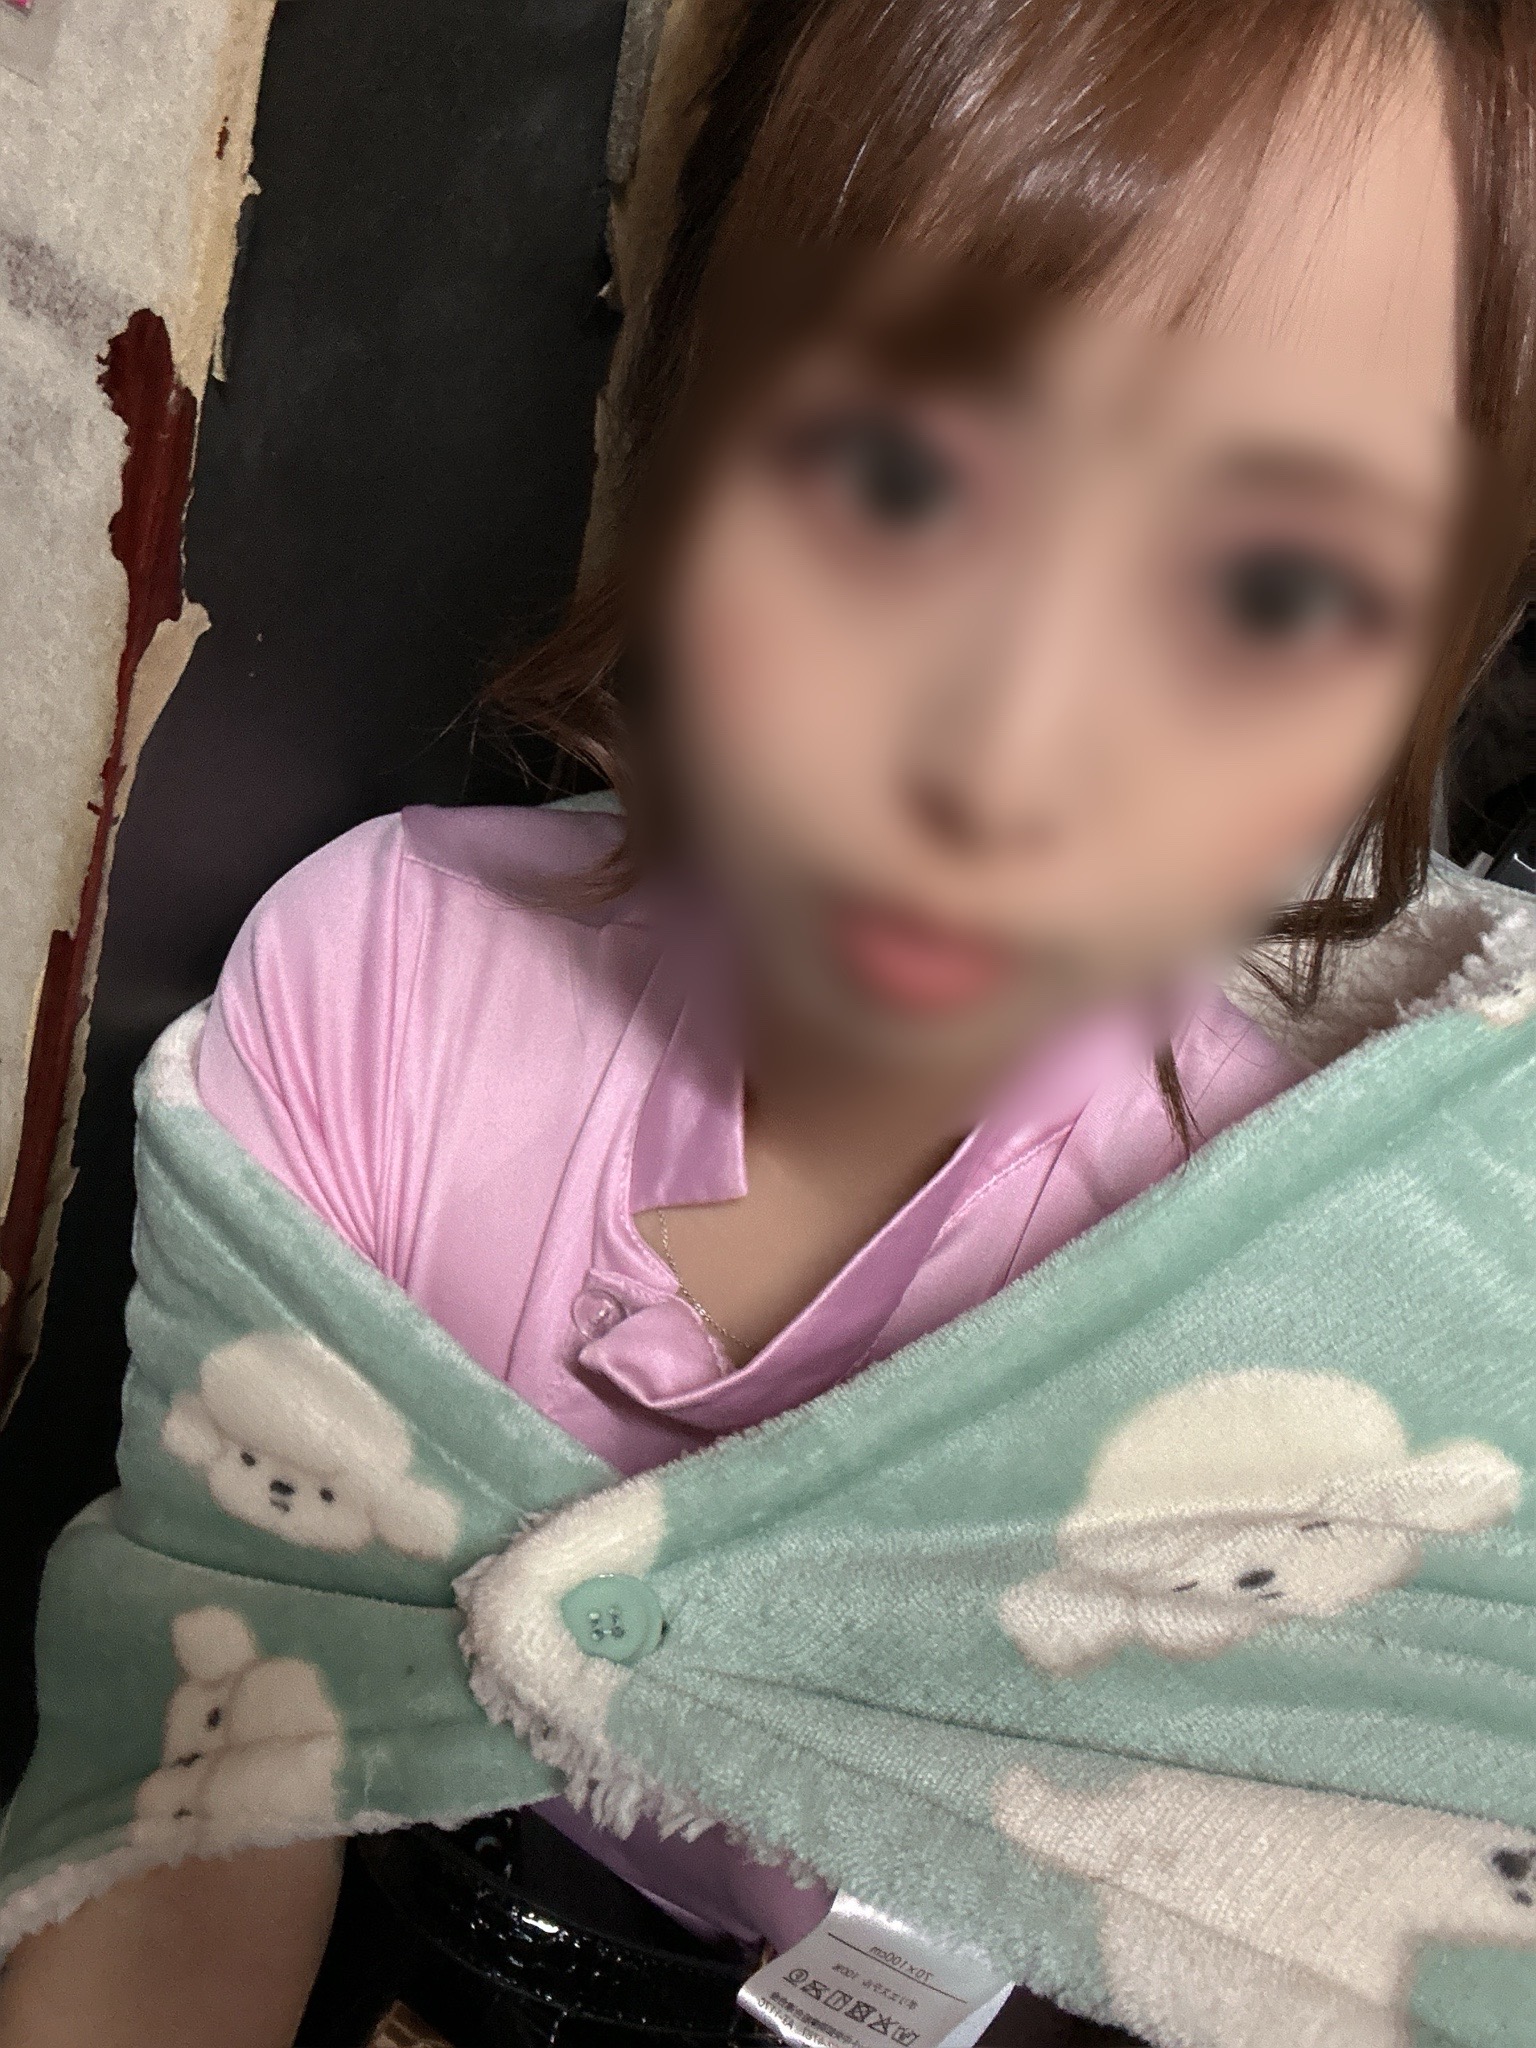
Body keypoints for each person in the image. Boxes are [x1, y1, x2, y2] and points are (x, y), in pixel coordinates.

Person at [2, 0, 1530, 2042]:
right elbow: (209, 1817)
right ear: (690, 417)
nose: (1005, 752)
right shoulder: (380, 1005)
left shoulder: (1332, 1311)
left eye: (1267, 590)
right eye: (895, 475)